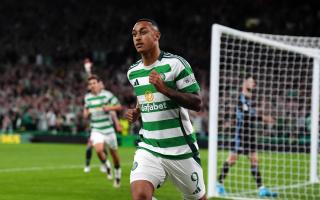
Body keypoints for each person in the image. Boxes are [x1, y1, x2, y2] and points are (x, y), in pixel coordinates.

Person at [126, 18, 207, 200]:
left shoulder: (177, 64)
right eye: (134, 34)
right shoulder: (133, 72)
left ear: (157, 36)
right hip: (150, 147)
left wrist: (165, 89)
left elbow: (197, 103)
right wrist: (137, 111)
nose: (137, 37)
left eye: (143, 32)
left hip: (180, 149)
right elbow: (144, 97)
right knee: (140, 196)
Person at [216, 75, 278, 197]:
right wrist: (264, 118)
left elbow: (250, 115)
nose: (253, 84)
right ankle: (219, 185)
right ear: (244, 83)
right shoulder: (241, 98)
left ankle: (261, 189)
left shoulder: (250, 99)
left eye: (254, 83)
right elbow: (246, 115)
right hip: (241, 134)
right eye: (251, 82)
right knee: (232, 160)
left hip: (250, 134)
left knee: (255, 160)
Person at [83, 74, 122, 188]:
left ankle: (118, 175)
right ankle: (106, 165)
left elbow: (119, 106)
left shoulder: (107, 95)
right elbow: (85, 111)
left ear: (98, 84)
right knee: (99, 150)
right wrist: (86, 113)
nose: (92, 85)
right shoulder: (87, 97)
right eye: (90, 84)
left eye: (94, 83)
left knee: (114, 155)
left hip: (108, 130)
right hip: (96, 129)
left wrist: (109, 108)